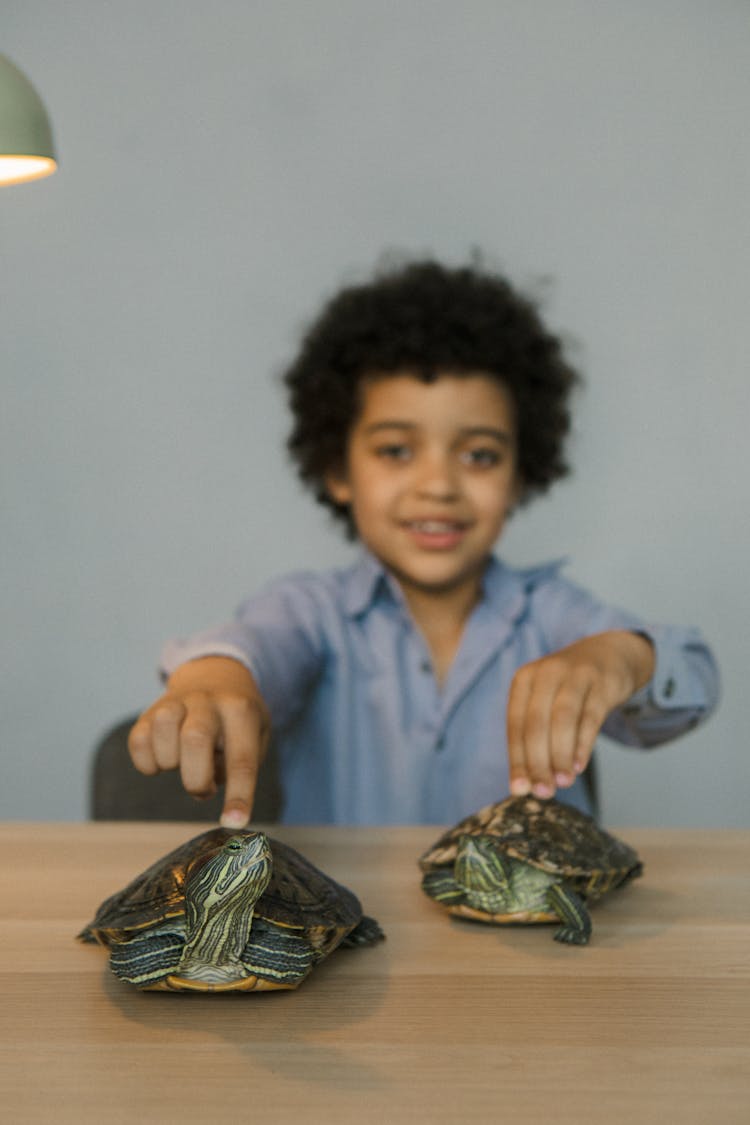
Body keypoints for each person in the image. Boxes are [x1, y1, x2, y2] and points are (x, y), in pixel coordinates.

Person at [128, 258, 719, 828]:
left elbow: (691, 674)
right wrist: (214, 677)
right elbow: (253, 646)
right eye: (395, 450)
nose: (438, 486)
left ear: (519, 477)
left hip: (531, 929)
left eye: (479, 456)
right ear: (337, 468)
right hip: (350, 928)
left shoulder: (552, 615)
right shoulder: (313, 614)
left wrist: (625, 657)